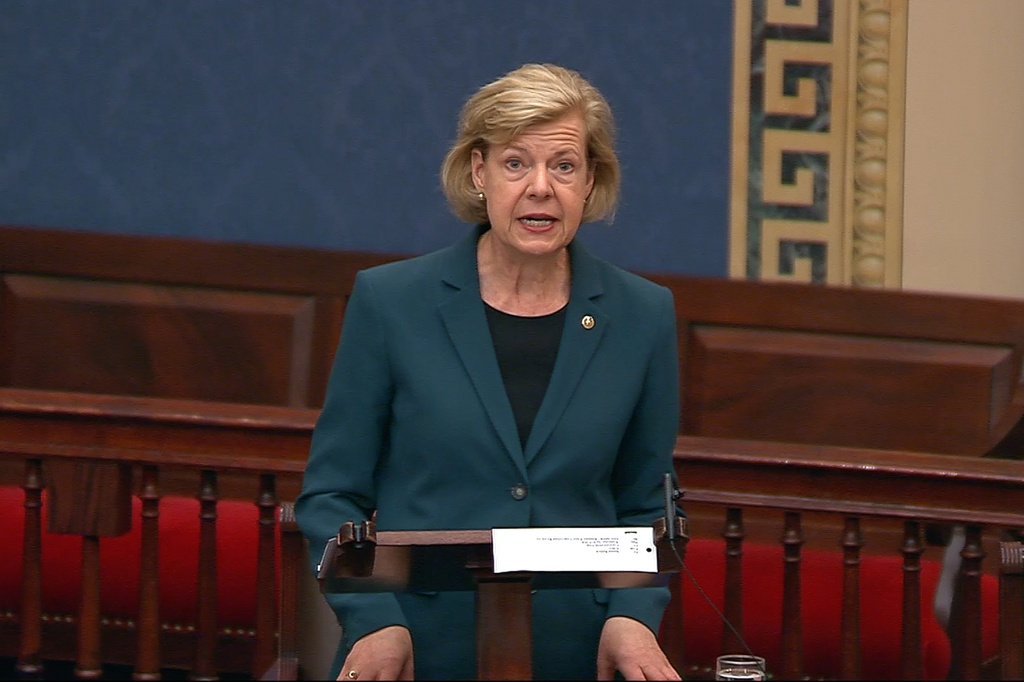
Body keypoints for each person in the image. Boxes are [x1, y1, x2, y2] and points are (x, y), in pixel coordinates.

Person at [295, 62, 682, 681]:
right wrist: (374, 621)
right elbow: (330, 496)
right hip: (415, 647)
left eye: (563, 165)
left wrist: (632, 618)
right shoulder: (392, 302)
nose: (540, 188)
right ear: (478, 172)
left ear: (590, 181)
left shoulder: (641, 315)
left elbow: (645, 506)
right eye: (515, 163)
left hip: (576, 650)